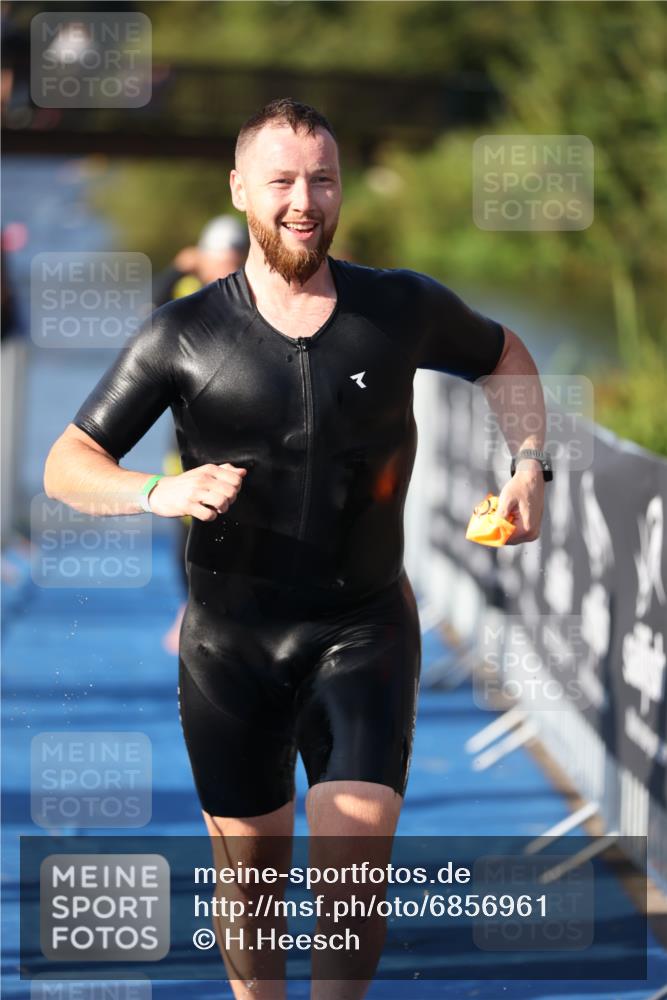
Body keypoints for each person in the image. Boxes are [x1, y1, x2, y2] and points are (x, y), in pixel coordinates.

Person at [43, 98, 550, 998]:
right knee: (251, 887)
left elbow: (503, 354)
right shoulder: (183, 333)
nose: (303, 201)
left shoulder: (398, 307)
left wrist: (528, 464)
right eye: (281, 181)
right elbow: (67, 464)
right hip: (230, 644)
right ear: (240, 190)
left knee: (352, 870)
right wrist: (159, 492)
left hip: (362, 628)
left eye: (322, 179)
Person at [152, 215, 249, 653]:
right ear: (204, 261)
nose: (226, 271)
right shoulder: (187, 293)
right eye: (219, 262)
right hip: (188, 434)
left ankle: (229, 617)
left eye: (235, 262)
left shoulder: (257, 296)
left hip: (243, 431)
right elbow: (151, 317)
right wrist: (177, 268)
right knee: (187, 528)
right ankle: (189, 607)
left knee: (239, 526)